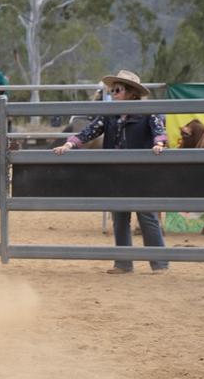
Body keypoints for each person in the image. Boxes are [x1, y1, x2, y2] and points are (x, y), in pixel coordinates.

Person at [52, 69, 168, 274]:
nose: (113, 93)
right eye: (112, 90)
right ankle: (124, 263)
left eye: (118, 90)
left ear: (131, 93)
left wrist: (159, 144)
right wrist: (69, 144)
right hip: (117, 173)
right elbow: (90, 131)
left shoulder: (148, 112)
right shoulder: (109, 115)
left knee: (147, 216)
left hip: (140, 172)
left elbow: (159, 131)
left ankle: (159, 263)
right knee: (120, 217)